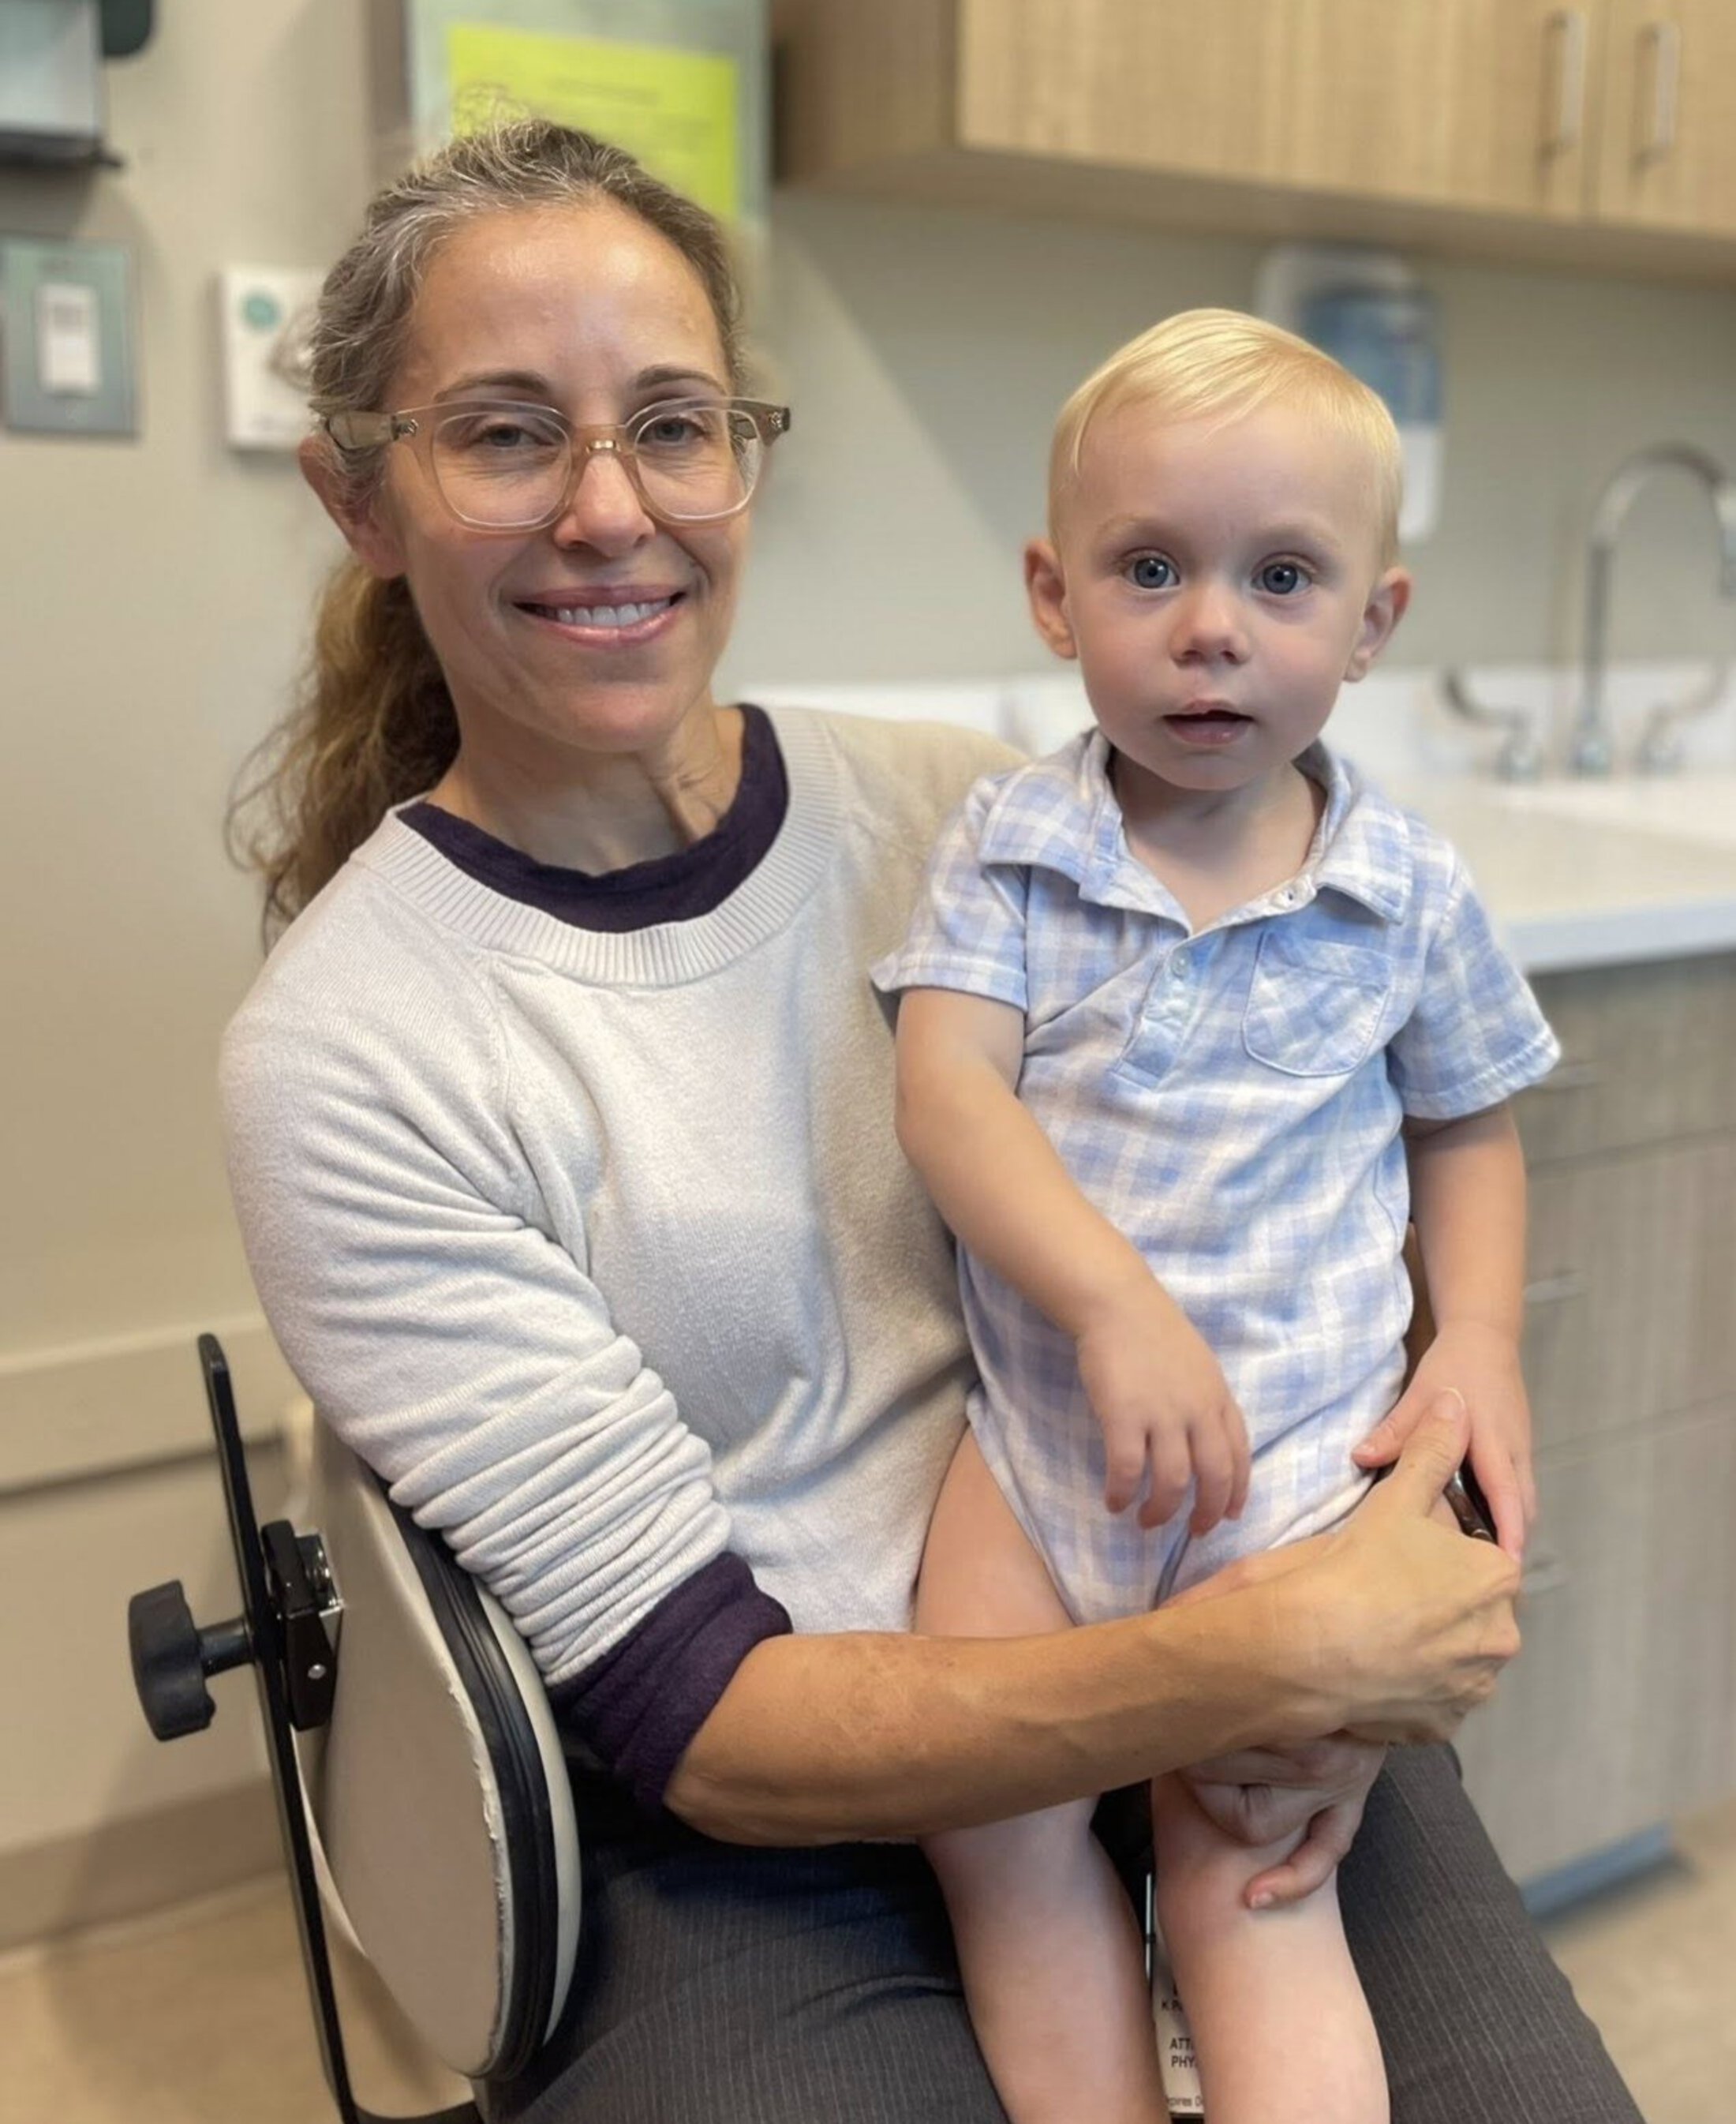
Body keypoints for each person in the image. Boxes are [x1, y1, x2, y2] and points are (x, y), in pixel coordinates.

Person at [219, 119, 1641, 2124]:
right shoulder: (349, 1052)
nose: (609, 508)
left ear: (747, 460)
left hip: (1208, 1592)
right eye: (505, 433)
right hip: (764, 1824)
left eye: (675, 423)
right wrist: (1272, 1661)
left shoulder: (983, 813)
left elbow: (1320, 1200)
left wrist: (1386, 1580)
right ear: (359, 500)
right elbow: (698, 1720)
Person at [874, 309, 1561, 2124]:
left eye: (1278, 576)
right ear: (1051, 593)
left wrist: (1473, 1338)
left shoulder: (1400, 884)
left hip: (1284, 1497)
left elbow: (1466, 1129)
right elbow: (943, 1093)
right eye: (1149, 566)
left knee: (1249, 1878)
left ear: (1370, 625)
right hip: (1037, 1457)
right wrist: (1106, 1300)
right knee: (998, 1845)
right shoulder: (1017, 842)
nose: (1207, 625)